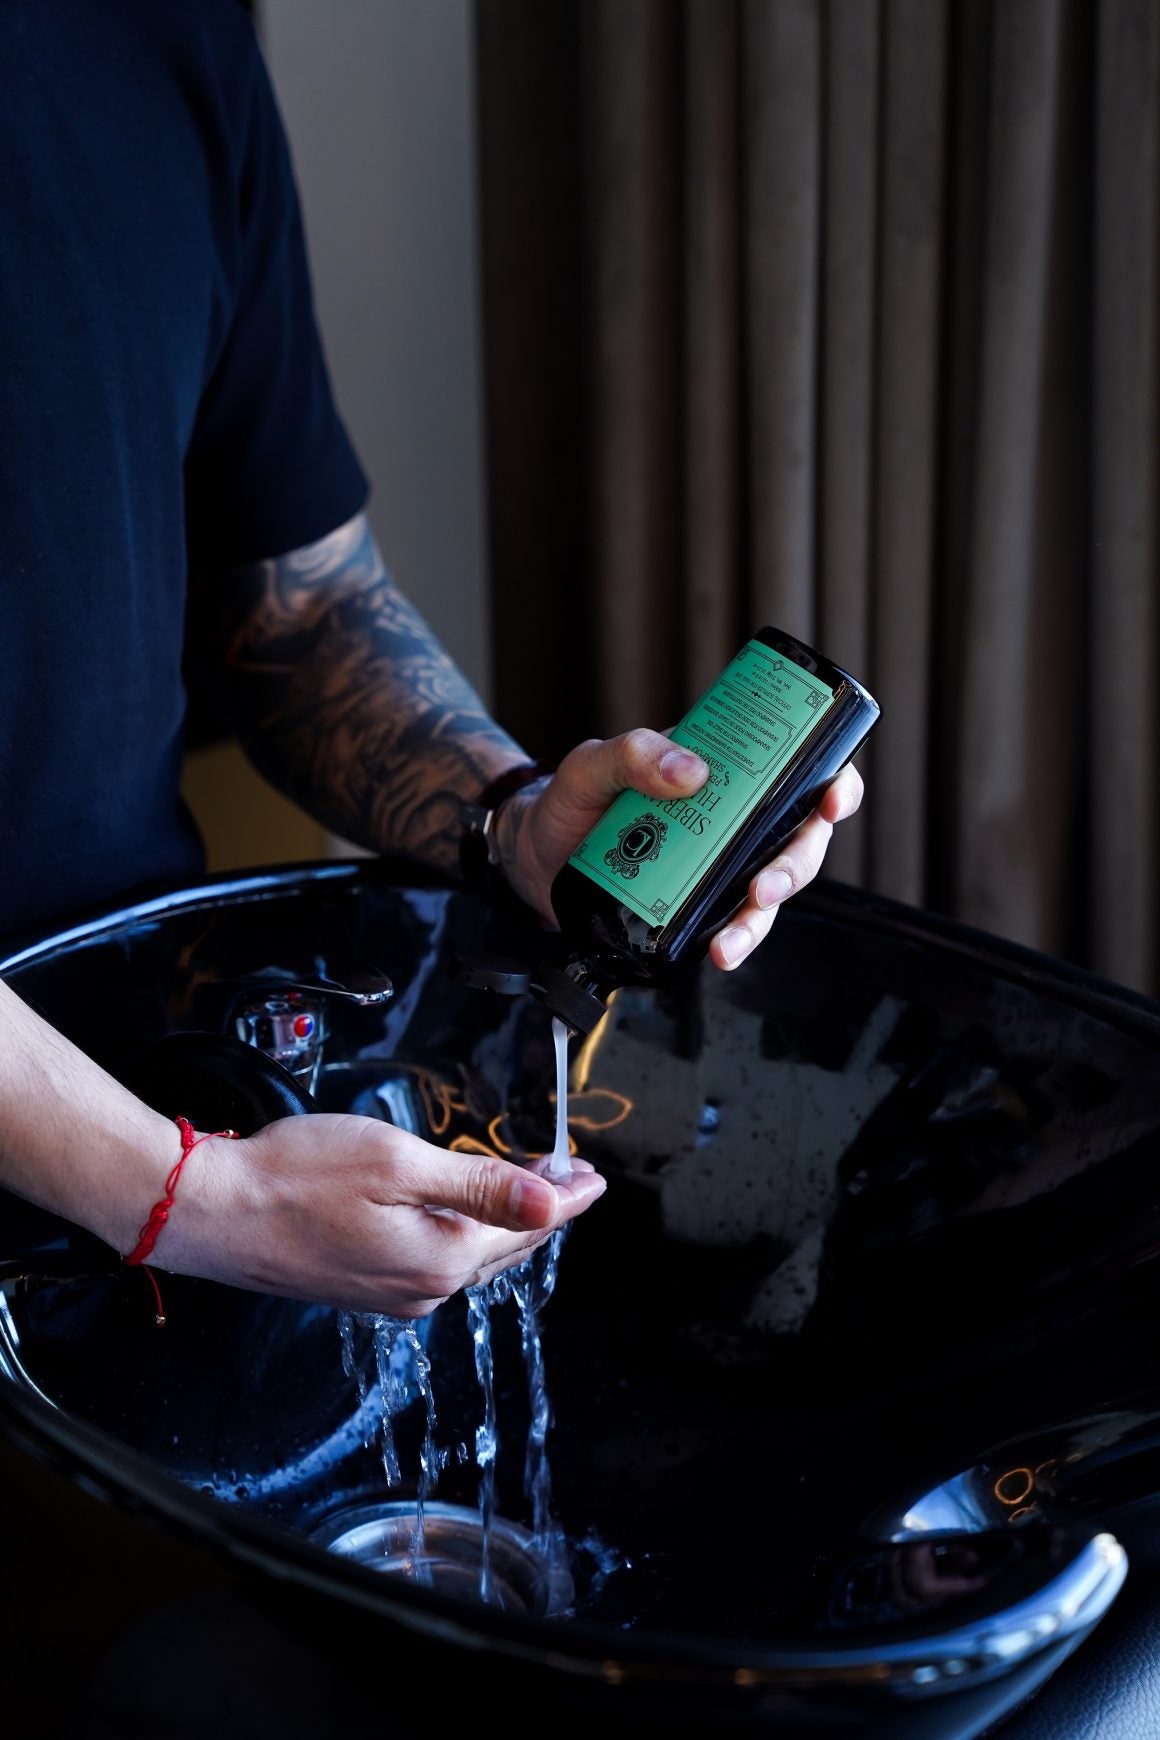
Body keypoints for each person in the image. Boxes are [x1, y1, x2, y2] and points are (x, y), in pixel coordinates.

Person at [0, 0, 863, 1323]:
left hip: (149, 1109)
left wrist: (516, 822)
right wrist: (187, 1197)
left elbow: (298, 608)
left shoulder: (167, 38)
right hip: (157, 1183)